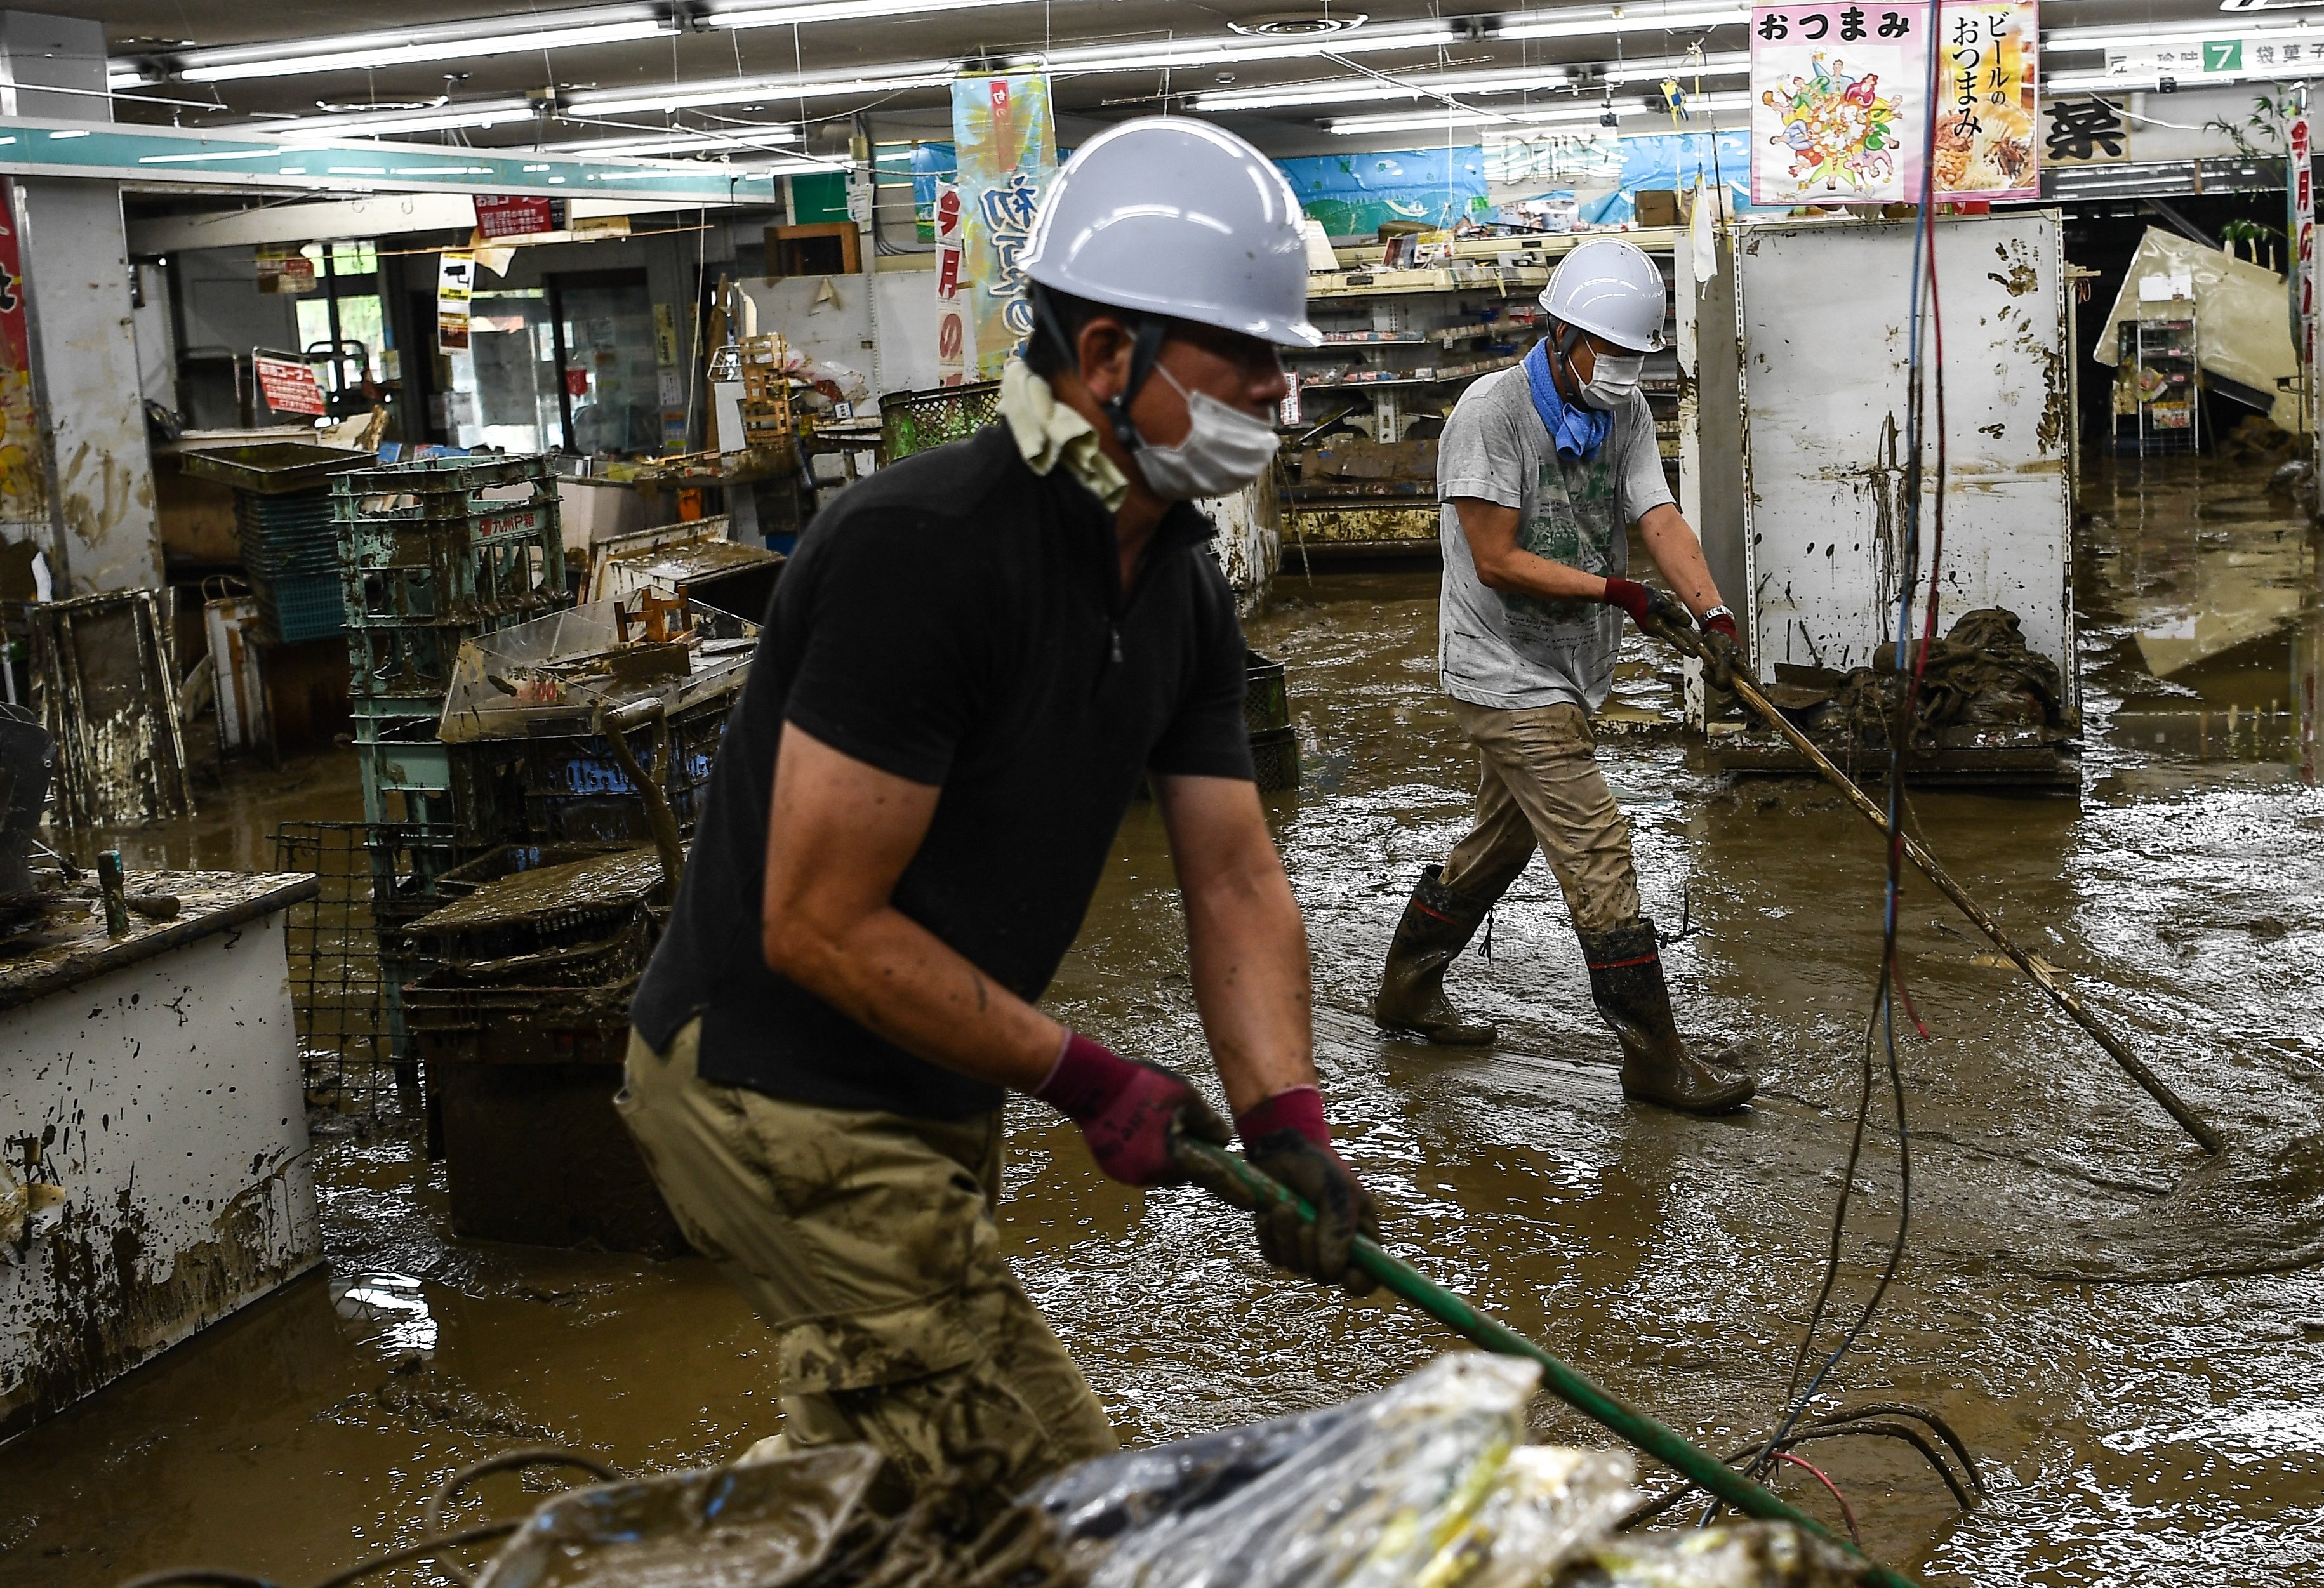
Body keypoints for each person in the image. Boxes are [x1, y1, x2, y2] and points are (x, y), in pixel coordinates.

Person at [618, 117, 1377, 1516]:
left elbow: (1232, 877)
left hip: (923, 1082)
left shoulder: (1179, 582)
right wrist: (1091, 1080)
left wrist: (1289, 1116)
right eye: (1246, 359)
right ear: (1105, 361)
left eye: (1284, 360)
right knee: (1043, 1503)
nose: (1279, 391)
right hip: (773, 1081)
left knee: (891, 1452)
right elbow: (817, 922)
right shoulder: (926, 550)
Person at [1371, 237, 1756, 1115]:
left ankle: (1408, 987)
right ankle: (1653, 1056)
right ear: (1559, 335)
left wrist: (1712, 612)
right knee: (1594, 842)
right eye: (1609, 354)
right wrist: (1620, 592)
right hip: (1500, 666)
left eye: (1634, 357)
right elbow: (1498, 558)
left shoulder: (1621, 416)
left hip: (1568, 664)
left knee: (1504, 838)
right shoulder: (1490, 415)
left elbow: (1656, 514)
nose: (1622, 373)